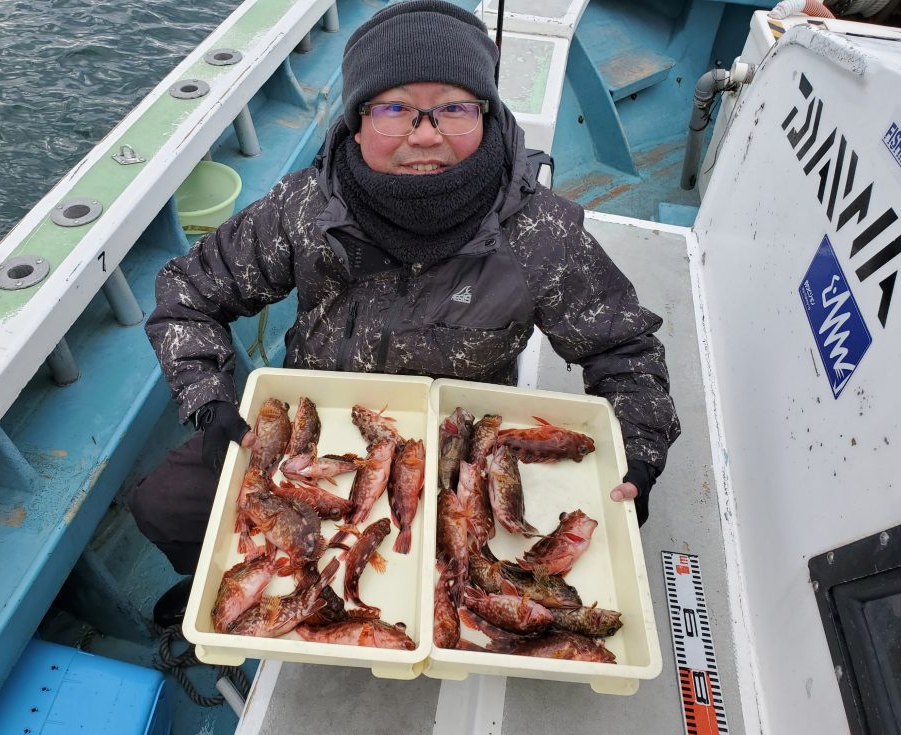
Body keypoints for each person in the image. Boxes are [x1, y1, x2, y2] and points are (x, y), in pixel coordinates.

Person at [129, 0, 680, 627]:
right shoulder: (304, 209)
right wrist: (209, 400)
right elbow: (188, 295)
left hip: (460, 446)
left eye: (454, 107)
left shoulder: (540, 234)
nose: (424, 135)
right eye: (394, 109)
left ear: (487, 114)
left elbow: (625, 350)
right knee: (163, 508)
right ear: (357, 121)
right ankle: (223, 579)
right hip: (317, 427)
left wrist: (640, 449)